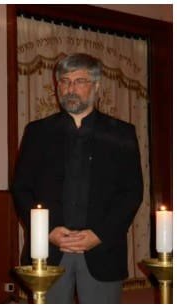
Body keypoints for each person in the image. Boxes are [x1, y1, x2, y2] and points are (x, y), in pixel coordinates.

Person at [11, 53, 143, 303]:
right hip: (47, 252)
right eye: (65, 81)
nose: (70, 88)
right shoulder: (37, 132)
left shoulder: (123, 134)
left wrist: (99, 234)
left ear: (96, 86)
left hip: (102, 250)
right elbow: (21, 189)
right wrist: (48, 232)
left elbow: (131, 192)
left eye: (79, 81)